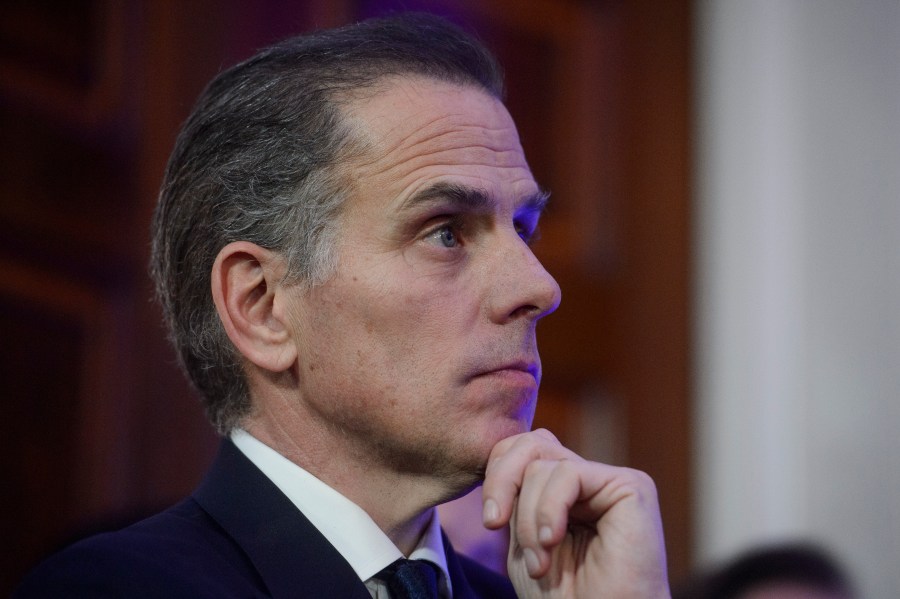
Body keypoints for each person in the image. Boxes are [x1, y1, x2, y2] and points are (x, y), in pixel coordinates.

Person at [15, 13, 669, 598]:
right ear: (263, 306)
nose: (540, 287)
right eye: (446, 231)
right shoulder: (119, 589)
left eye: (523, 228)